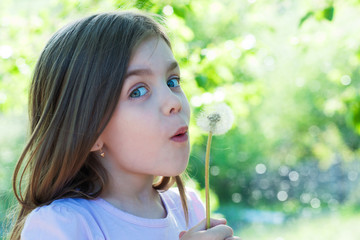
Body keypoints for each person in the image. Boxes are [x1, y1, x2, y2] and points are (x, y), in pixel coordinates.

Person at [9, 11, 241, 240]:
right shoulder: (61, 225)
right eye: (138, 91)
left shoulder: (190, 210)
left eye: (172, 81)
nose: (174, 101)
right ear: (89, 131)